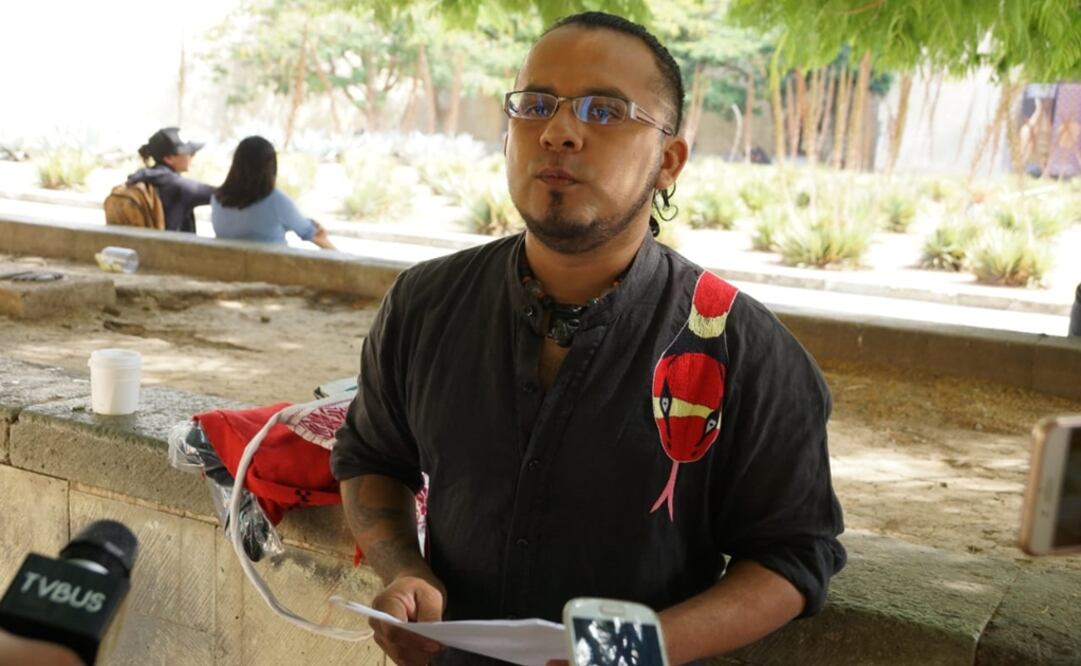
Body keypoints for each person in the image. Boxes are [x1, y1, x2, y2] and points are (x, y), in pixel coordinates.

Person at [331, 12, 845, 666]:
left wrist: (627, 651)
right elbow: (373, 457)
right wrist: (405, 573)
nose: (558, 132)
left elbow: (793, 555)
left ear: (668, 160)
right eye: (536, 104)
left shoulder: (741, 347)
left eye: (604, 111)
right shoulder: (424, 304)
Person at [211, 136, 336, 250]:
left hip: (228, 271)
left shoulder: (216, 200)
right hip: (270, 272)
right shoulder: (276, 201)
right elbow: (311, 233)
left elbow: (251, 225)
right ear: (271, 168)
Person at [126, 127, 214, 233]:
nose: (192, 157)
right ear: (168, 158)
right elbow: (226, 195)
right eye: (190, 153)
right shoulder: (178, 186)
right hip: (171, 249)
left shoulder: (138, 179)